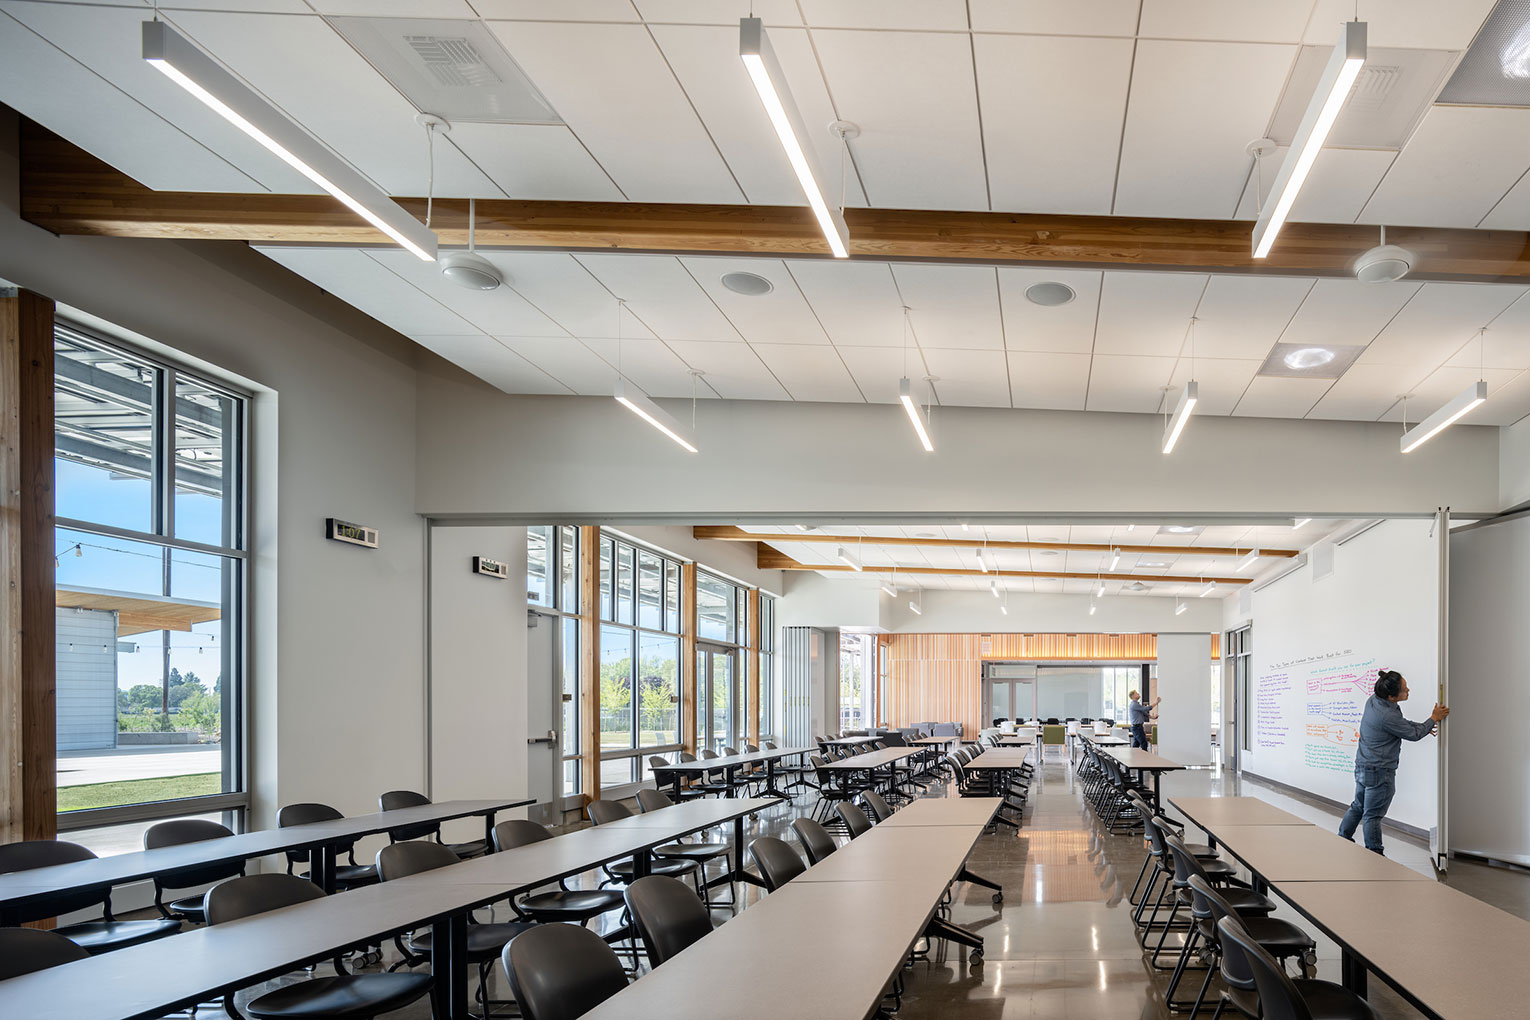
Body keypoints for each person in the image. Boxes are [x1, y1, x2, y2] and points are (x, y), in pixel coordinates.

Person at [1338, 668, 1448, 855]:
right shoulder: (1386, 715)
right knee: (1372, 815)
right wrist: (1433, 719)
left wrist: (1424, 725)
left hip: (1363, 766)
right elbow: (1412, 734)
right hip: (1379, 771)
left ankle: (1342, 838)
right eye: (1405, 689)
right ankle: (1375, 854)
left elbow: (1401, 724)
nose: (1409, 690)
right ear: (1391, 696)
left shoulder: (1374, 700)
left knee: (1359, 806)